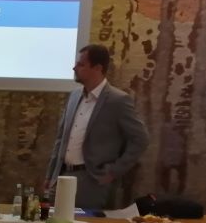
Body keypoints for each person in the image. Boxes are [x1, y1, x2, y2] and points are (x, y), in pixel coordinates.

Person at [44, 44, 148, 210]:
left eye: (81, 64)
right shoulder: (74, 96)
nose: (74, 68)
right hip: (62, 175)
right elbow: (61, 139)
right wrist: (51, 175)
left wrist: (113, 171)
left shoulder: (118, 101)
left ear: (98, 68)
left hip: (92, 179)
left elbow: (140, 139)